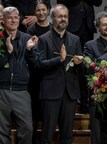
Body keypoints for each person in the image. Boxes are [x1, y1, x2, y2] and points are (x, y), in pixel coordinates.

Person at [36, 4, 83, 143]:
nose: (63, 19)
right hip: (51, 93)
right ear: (52, 18)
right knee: (47, 135)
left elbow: (80, 68)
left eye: (65, 16)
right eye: (59, 16)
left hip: (70, 93)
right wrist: (59, 59)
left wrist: (80, 63)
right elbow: (39, 64)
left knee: (67, 135)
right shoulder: (44, 39)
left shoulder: (75, 39)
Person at [0, 6, 39, 144]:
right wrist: (8, 52)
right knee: (1, 132)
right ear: (3, 20)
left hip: (21, 91)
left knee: (27, 129)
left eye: (16, 17)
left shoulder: (27, 38)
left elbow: (36, 65)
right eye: (9, 17)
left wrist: (29, 50)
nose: (13, 20)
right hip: (2, 90)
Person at [83, 11, 107, 144]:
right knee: (97, 135)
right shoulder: (90, 45)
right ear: (98, 27)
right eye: (104, 25)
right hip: (98, 96)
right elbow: (89, 67)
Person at [26, 0, 51, 143]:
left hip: (50, 73)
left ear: (48, 11)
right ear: (35, 13)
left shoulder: (53, 28)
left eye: (43, 10)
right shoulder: (31, 30)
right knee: (34, 109)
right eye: (38, 10)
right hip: (36, 74)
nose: (41, 13)